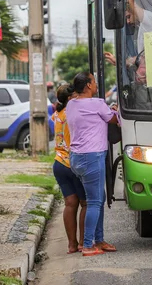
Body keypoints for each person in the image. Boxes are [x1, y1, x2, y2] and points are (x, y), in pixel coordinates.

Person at [67, 72, 118, 257]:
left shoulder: (71, 104)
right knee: (95, 201)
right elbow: (113, 119)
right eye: (94, 81)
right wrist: (115, 110)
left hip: (76, 158)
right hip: (91, 157)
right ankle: (88, 245)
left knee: (99, 197)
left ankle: (99, 239)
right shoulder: (97, 103)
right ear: (88, 85)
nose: (96, 84)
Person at [51, 84, 87, 254]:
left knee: (70, 204)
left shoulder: (56, 114)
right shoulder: (71, 114)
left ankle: (71, 245)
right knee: (85, 203)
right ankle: (82, 243)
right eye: (76, 96)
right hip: (74, 163)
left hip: (59, 163)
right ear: (70, 99)